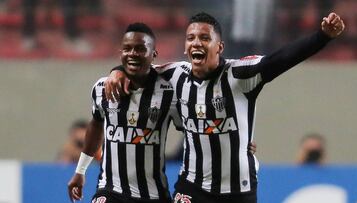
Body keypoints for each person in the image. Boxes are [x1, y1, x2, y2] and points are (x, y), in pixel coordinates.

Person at [106, 12, 344, 203]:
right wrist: (116, 71)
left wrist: (322, 36)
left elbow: (280, 60)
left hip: (238, 190)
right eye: (191, 38)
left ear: (219, 47)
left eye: (205, 38)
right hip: (192, 186)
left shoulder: (240, 75)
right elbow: (139, 65)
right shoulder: (174, 75)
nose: (196, 43)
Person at [67, 23, 184, 203]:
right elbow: (96, 124)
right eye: (127, 48)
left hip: (153, 195)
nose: (132, 54)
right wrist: (80, 171)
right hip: (110, 191)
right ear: (120, 53)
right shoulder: (101, 88)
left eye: (140, 49)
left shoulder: (169, 93)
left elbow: (193, 130)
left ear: (154, 54)